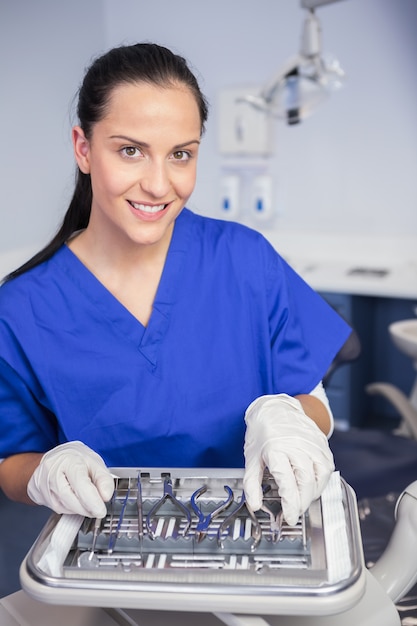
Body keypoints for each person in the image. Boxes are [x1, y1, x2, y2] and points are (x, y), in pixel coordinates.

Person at [0, 43, 351, 527]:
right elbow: (12, 460)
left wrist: (288, 417)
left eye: (180, 154)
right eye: (130, 151)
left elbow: (316, 403)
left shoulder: (243, 258)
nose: (160, 185)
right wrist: (45, 472)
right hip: (112, 553)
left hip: (259, 532)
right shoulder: (20, 310)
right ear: (83, 149)